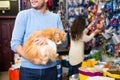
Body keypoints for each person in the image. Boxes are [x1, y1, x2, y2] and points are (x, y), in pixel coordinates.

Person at [10, 0, 64, 80]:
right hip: (28, 71)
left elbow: (63, 42)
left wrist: (49, 41)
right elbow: (15, 44)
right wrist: (33, 59)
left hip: (50, 70)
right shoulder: (23, 15)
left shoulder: (55, 18)